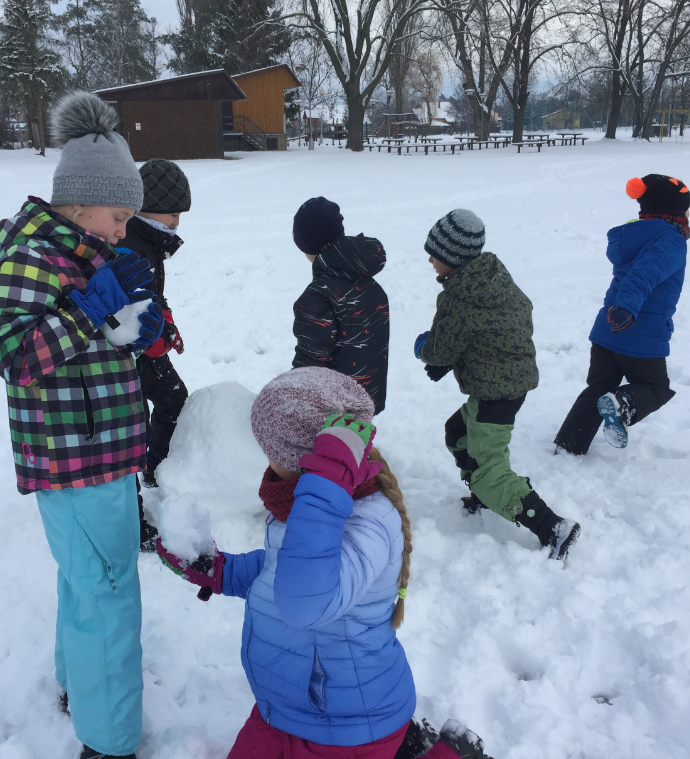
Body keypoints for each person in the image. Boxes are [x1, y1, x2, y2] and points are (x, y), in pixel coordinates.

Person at [155, 368, 493, 759]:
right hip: (282, 710)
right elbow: (282, 570)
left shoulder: (367, 521)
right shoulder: (303, 504)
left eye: (269, 449)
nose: (264, 460)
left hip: (350, 726)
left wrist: (324, 486)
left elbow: (305, 603)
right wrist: (222, 571)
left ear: (299, 458)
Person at [0, 91, 164, 759]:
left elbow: (94, 343)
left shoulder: (80, 253)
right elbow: (14, 355)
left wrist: (142, 323)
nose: (122, 230)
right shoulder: (32, 259)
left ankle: (79, 687)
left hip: (97, 451)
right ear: (82, 202)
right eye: (119, 216)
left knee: (84, 579)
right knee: (110, 597)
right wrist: (89, 310)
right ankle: (108, 740)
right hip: (79, 457)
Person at [415, 209, 580, 560]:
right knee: (457, 432)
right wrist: (458, 359)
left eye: (436, 254)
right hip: (508, 382)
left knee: (490, 469)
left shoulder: (460, 299)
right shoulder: (493, 278)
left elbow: (440, 348)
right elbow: (497, 327)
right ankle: (481, 493)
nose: (429, 259)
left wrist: (425, 349)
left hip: (494, 394)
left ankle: (552, 527)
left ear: (454, 258)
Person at [554, 175, 690, 454]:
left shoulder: (636, 234)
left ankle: (569, 447)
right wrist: (627, 307)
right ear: (673, 212)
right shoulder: (670, 240)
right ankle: (622, 404)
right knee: (655, 387)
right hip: (638, 332)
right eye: (685, 209)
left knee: (598, 388)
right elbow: (644, 275)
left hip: (607, 330)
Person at [117, 158, 192, 549]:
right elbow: (126, 306)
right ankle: (131, 521)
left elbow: (151, 295)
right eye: (173, 213)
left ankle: (157, 467)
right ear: (145, 206)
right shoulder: (130, 243)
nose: (177, 222)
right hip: (127, 352)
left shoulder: (148, 239)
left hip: (146, 346)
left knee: (173, 399)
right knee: (132, 426)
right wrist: (153, 335)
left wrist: (165, 318)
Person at [291, 197, 390, 414]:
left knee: (338, 447)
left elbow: (310, 365)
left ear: (305, 243)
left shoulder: (319, 296)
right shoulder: (368, 281)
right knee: (357, 443)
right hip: (367, 398)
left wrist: (294, 401)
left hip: (334, 410)